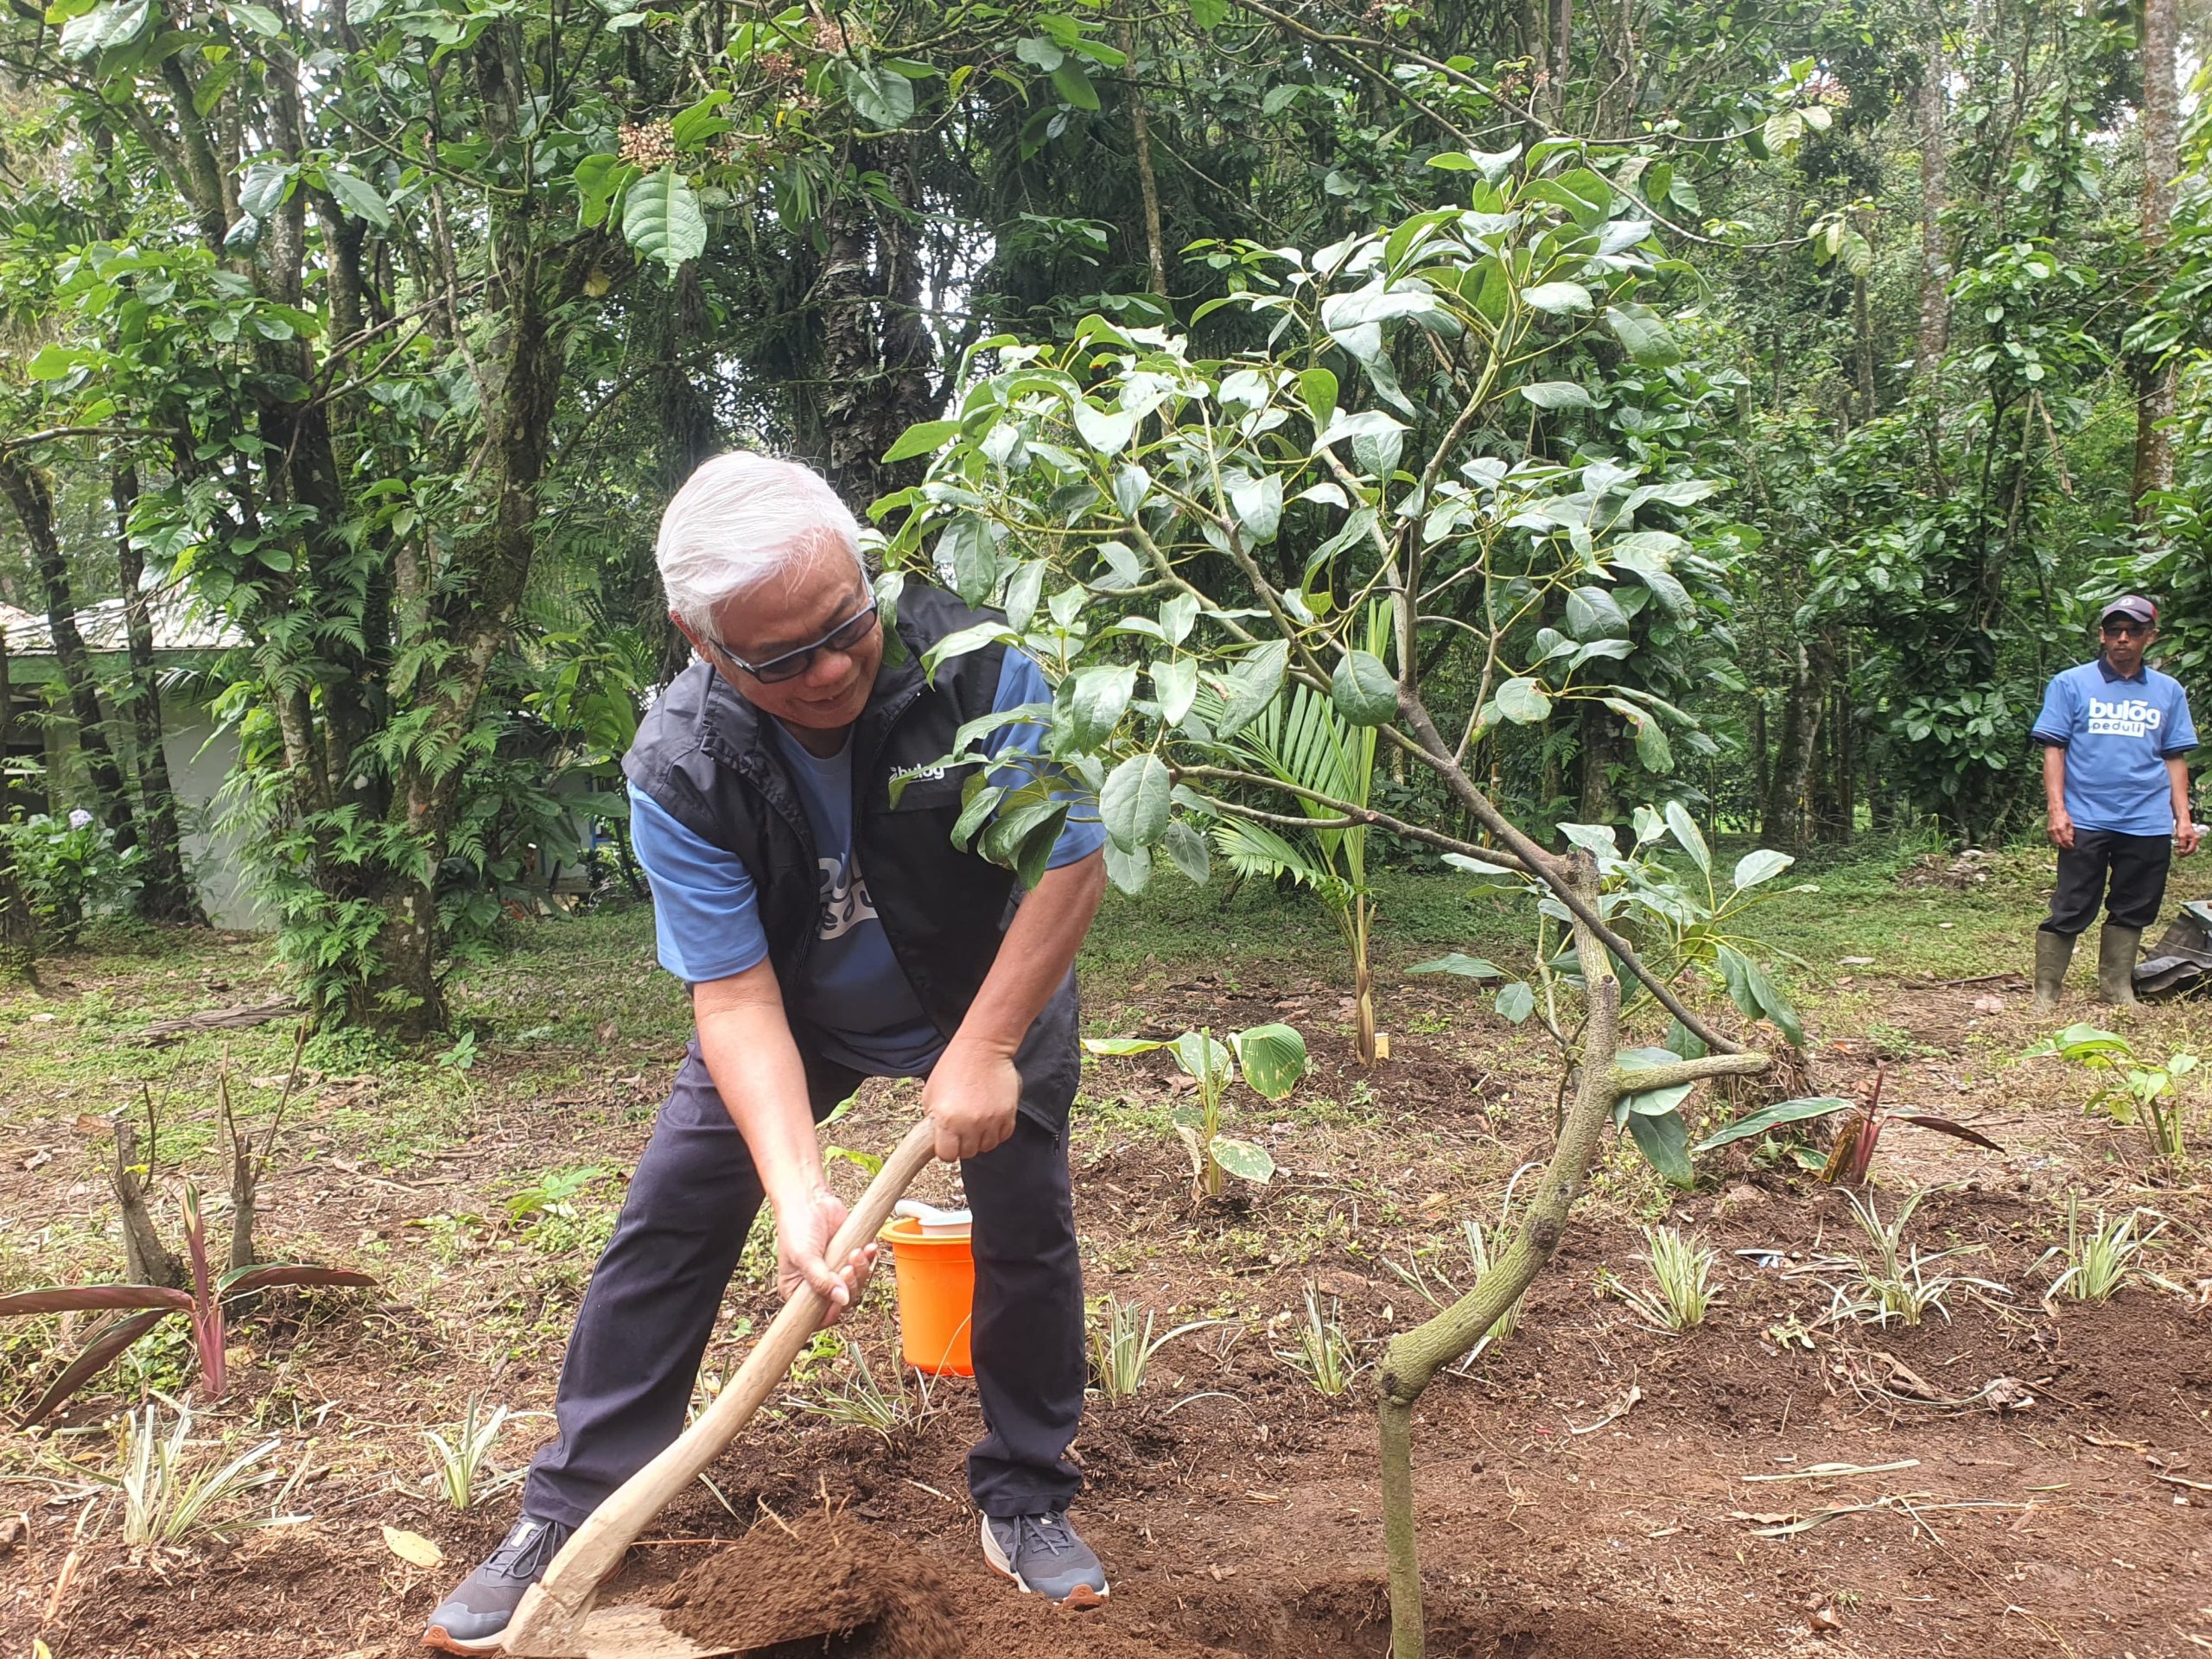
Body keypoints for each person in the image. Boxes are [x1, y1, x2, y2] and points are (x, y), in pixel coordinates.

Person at [426, 454, 1112, 1653]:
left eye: (845, 627)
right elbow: (735, 1001)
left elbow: (1071, 856)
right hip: (794, 1008)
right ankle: (574, 1512)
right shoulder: (679, 764)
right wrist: (799, 1191)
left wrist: (989, 1045)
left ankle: (1027, 1493)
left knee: (1025, 1218)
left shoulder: (979, 664)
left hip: (986, 985)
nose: (833, 668)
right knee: (671, 1221)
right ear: (700, 641)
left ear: (863, 574)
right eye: (781, 660)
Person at [2029, 594, 2200, 1011]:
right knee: (2071, 904)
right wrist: (2058, 809)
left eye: (2134, 631)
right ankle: (2046, 992)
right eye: (2114, 630)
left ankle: (2117, 989)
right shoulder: (2070, 683)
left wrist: (2183, 817)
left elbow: (2174, 756)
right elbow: (2054, 749)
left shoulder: (2168, 691)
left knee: (2135, 905)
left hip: (2147, 819)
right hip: (2086, 815)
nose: (2123, 638)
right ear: (2102, 635)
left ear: (2150, 637)